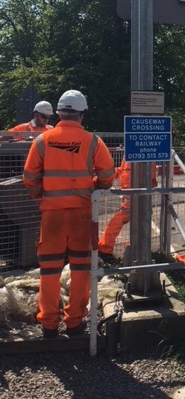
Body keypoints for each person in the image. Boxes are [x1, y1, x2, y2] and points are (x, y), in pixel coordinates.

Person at [22, 90, 115, 339]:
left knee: (49, 270)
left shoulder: (42, 140)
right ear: (81, 115)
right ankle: (74, 323)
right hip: (82, 215)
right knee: (81, 268)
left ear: (60, 113)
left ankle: (49, 324)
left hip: (51, 215)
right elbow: (107, 176)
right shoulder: (93, 141)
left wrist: (41, 194)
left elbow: (29, 177)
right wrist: (94, 185)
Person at [97, 157, 157, 263]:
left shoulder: (132, 151)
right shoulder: (141, 153)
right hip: (135, 189)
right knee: (126, 217)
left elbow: (125, 170)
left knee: (132, 217)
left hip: (135, 188)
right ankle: (105, 248)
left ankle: (106, 247)